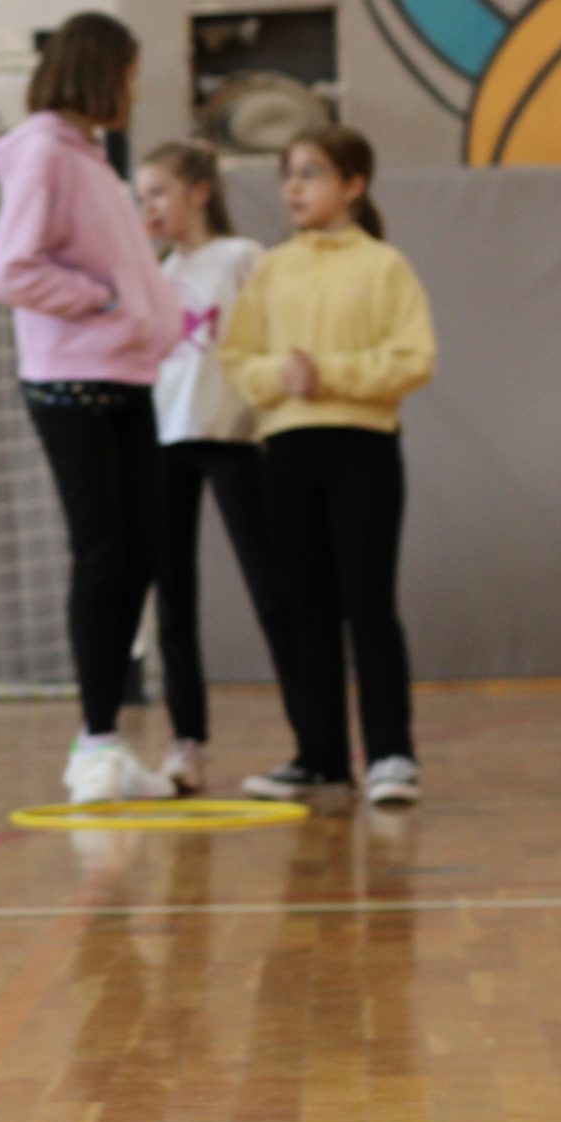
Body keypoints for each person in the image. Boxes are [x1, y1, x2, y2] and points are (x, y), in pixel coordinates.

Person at [0, 13, 180, 804]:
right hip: (73, 381)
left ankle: (106, 738)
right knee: (103, 553)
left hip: (124, 376)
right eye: (129, 72)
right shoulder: (43, 151)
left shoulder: (90, 157)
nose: (134, 88)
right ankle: (94, 743)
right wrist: (103, 301)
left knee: (139, 552)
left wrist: (142, 309)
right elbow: (12, 269)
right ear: (101, 69)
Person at [218, 127, 433, 807]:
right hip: (286, 451)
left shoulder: (384, 265)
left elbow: (414, 356)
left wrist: (330, 374)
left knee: (368, 605)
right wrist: (278, 376)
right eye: (288, 173)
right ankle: (320, 759)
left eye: (310, 172)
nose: (294, 186)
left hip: (362, 449)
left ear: (353, 184)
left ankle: (391, 756)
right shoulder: (272, 269)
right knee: (305, 610)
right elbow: (237, 357)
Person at [135, 142, 298, 794]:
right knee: (173, 597)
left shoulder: (241, 257)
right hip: (164, 443)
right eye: (141, 196)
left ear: (199, 191)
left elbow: (275, 332)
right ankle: (188, 743)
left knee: (272, 588)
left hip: (234, 437)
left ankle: (311, 738)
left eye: (158, 192)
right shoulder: (156, 271)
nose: (148, 207)